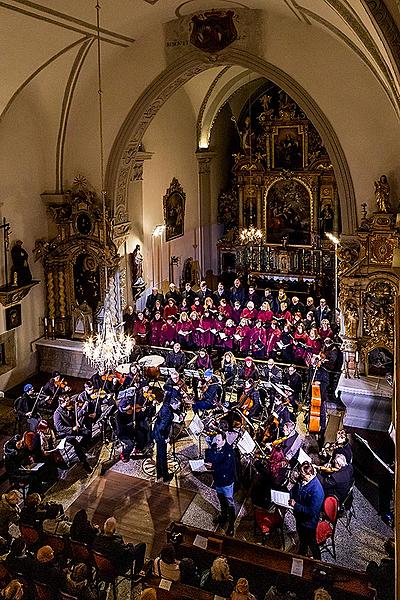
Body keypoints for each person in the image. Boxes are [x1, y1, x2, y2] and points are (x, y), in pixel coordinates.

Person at [289, 461, 325, 560]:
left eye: (303, 474)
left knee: (312, 543)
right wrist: (291, 495)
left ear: (310, 474)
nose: (301, 476)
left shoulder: (317, 491)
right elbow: (295, 489)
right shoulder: (304, 479)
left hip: (308, 523)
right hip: (300, 518)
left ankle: (318, 562)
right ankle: (301, 553)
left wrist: (296, 505)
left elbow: (312, 511)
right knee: (302, 539)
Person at [205, 432, 236, 536]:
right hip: (218, 480)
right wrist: (206, 462)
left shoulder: (229, 451)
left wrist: (212, 466)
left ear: (224, 440)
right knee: (221, 500)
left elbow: (226, 467)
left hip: (226, 481)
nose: (216, 442)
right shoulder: (215, 446)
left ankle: (231, 525)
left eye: (218, 440)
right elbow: (210, 455)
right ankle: (223, 516)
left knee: (230, 503)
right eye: (216, 440)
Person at [53, 395, 92, 473]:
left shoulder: (69, 407)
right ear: (62, 402)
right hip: (65, 434)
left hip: (74, 428)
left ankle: (83, 445)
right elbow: (59, 428)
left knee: (87, 432)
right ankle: (84, 462)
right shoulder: (57, 413)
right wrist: (71, 429)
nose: (69, 402)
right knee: (75, 444)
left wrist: (78, 419)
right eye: (67, 401)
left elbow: (75, 414)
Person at [152, 396, 181, 483]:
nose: (178, 407)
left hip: (156, 433)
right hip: (160, 436)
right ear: (173, 404)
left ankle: (159, 473)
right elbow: (162, 428)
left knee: (159, 454)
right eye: (177, 405)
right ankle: (165, 476)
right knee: (163, 455)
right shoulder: (169, 414)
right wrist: (166, 437)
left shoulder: (165, 406)